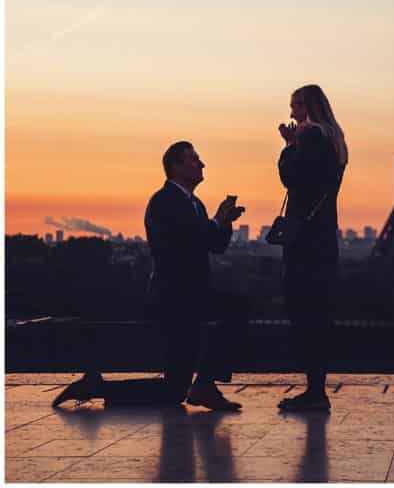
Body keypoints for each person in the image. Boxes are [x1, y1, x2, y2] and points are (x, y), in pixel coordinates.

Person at [53, 141, 246, 411]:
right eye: (194, 159)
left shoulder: (192, 203)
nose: (201, 164)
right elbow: (195, 239)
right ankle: (199, 385)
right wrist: (217, 221)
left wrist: (223, 222)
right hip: (175, 298)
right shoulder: (164, 201)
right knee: (174, 388)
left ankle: (202, 384)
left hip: (190, 296)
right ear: (176, 167)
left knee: (177, 385)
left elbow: (214, 244)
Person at [276, 84, 348, 412]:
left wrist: (289, 145)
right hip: (323, 235)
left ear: (307, 107)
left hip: (305, 239)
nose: (291, 114)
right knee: (320, 312)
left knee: (304, 312)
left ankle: (315, 392)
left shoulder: (310, 136)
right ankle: (316, 388)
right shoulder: (335, 139)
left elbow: (293, 178)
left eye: (295, 107)